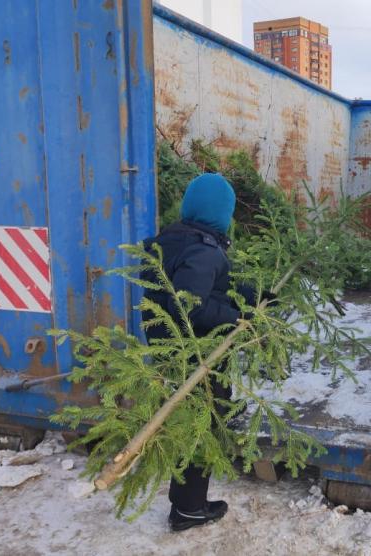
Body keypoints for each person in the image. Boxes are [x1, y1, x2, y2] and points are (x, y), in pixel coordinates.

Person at [141, 173, 254, 532]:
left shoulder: (175, 241)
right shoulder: (204, 250)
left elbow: (207, 288)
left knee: (196, 418)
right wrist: (237, 319)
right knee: (201, 426)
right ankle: (189, 508)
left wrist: (250, 296)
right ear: (221, 213)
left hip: (172, 350)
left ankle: (187, 502)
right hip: (196, 355)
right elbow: (189, 306)